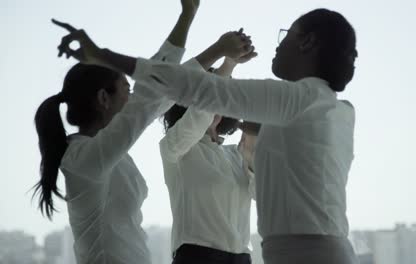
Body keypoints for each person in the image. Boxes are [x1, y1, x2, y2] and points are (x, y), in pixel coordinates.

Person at [52, 7, 359, 264]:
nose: (278, 46)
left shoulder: (293, 101)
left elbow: (198, 92)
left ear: (307, 43)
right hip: (279, 253)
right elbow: (191, 96)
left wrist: (103, 55)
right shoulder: (336, 109)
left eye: (286, 36)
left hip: (294, 254)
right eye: (125, 90)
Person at [161, 58, 256, 264]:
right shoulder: (174, 147)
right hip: (198, 257)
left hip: (242, 258)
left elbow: (263, 197)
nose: (216, 101)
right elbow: (197, 119)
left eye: (222, 96)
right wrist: (229, 64)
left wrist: (252, 160)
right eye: (209, 94)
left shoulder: (236, 154)